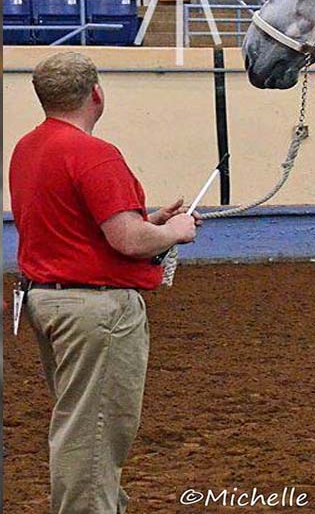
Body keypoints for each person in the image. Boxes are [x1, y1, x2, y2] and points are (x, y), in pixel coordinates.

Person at [8, 51, 200, 514]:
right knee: (95, 431)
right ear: (96, 94)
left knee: (79, 420)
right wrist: (174, 231)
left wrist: (148, 222)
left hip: (48, 302)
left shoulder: (28, 148)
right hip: (96, 311)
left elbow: (80, 228)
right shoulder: (95, 154)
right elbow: (130, 241)